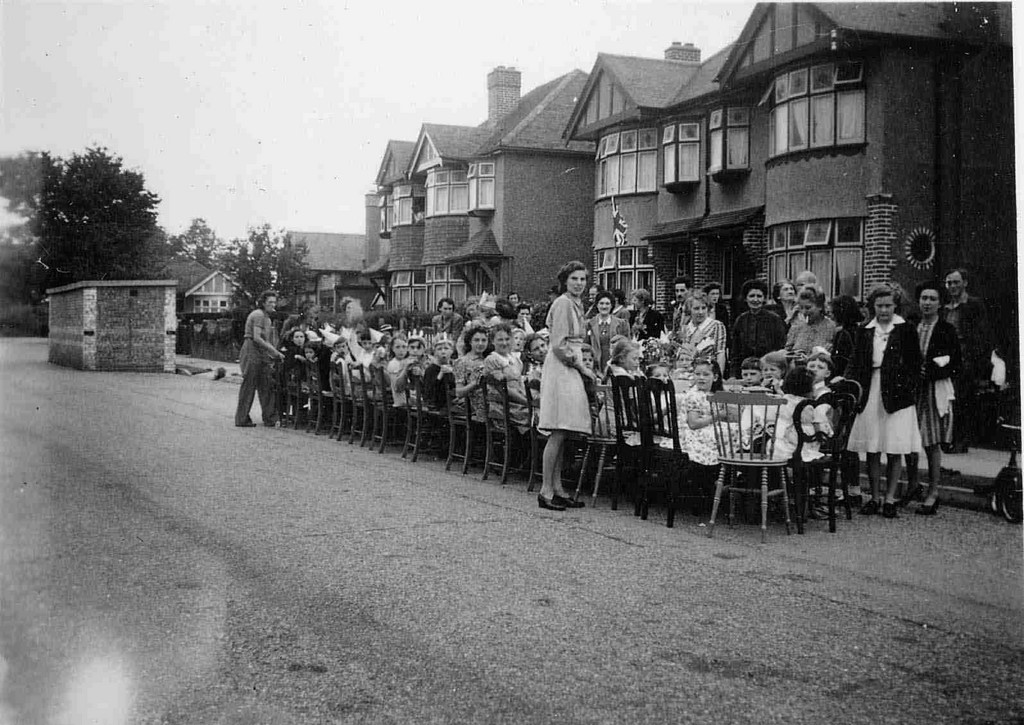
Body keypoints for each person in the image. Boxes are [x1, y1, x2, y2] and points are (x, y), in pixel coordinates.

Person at [845, 284, 923, 518]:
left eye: (888, 305)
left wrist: (906, 387)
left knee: (894, 447)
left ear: (895, 305)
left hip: (897, 395)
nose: (884, 310)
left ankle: (890, 499)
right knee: (872, 447)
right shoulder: (865, 330)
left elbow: (915, 363)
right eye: (879, 306)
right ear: (873, 307)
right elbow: (856, 361)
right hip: (871, 390)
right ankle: (875, 498)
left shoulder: (906, 329)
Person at [538, 260, 594, 511]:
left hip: (570, 365)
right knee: (558, 429)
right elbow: (559, 344)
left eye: (582, 279)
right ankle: (546, 490)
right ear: (565, 281)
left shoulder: (576, 304)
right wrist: (581, 366)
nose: (579, 284)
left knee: (563, 429)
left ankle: (558, 488)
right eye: (574, 279)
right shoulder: (562, 304)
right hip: (563, 367)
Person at [904, 281, 962, 516]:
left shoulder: (946, 330)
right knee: (908, 441)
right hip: (911, 391)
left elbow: (956, 363)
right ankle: (912, 485)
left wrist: (933, 372)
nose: (927, 303)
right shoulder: (911, 327)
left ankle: (933, 491)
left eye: (932, 299)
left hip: (932, 390)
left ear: (940, 303)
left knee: (930, 441)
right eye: (924, 298)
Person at [942, 268, 993, 453]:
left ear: (965, 283)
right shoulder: (946, 308)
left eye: (956, 282)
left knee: (963, 400)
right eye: (949, 283)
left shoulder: (973, 305)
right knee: (949, 400)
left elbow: (981, 334)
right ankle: (949, 438)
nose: (953, 286)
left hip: (967, 360)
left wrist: (977, 362)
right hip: (949, 361)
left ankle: (962, 441)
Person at [235, 291, 286, 427]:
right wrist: (275, 352)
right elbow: (257, 338)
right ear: (263, 302)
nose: (273, 305)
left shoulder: (267, 318)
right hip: (251, 349)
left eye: (274, 302)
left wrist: (272, 352)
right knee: (249, 385)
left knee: (266, 384)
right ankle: (242, 419)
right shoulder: (258, 315)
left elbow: (266, 340)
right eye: (270, 302)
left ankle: (270, 418)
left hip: (261, 352)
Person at [729, 279, 787, 378]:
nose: (755, 300)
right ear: (745, 298)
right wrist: (733, 375)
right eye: (751, 296)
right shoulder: (741, 320)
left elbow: (780, 347)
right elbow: (735, 351)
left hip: (768, 370)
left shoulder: (774, 319)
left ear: (764, 299)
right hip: (746, 371)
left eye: (759, 296)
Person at [483, 323, 531, 430]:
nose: (504, 343)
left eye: (507, 339)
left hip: (518, 401)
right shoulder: (492, 360)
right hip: (503, 406)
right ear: (492, 341)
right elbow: (505, 390)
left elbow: (520, 384)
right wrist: (527, 402)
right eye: (500, 340)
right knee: (538, 414)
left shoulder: (515, 359)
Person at [679, 291, 728, 374]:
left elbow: (720, 353)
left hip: (708, 373)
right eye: (696, 308)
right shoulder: (686, 328)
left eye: (703, 308)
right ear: (689, 310)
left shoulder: (716, 325)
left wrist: (719, 376)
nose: (700, 312)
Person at [586, 290, 631, 379]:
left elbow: (627, 347)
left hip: (615, 367)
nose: (604, 306)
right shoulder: (589, 324)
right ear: (597, 305)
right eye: (601, 303)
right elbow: (585, 347)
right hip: (595, 367)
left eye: (607, 304)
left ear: (611, 305)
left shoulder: (622, 324)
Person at [785, 286, 837, 362]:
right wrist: (793, 354)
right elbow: (786, 351)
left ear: (820, 306)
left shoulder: (832, 328)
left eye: (808, 308)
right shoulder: (796, 327)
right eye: (801, 308)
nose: (804, 312)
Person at [829, 295, 863, 377]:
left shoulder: (842, 334)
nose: (831, 316)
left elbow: (838, 361)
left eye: (833, 312)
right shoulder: (860, 330)